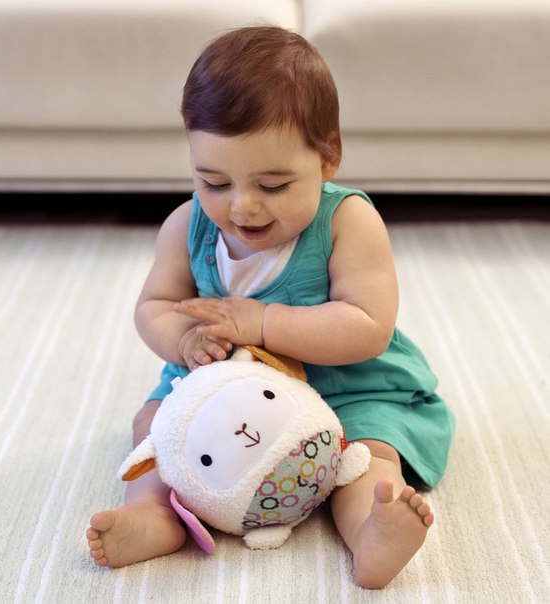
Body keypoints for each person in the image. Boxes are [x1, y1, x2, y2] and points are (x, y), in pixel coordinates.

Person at [86, 25, 454, 589]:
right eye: (214, 182)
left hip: (345, 387)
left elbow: (368, 325)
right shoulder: (186, 226)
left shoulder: (348, 222)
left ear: (328, 156)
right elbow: (155, 305)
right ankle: (154, 513)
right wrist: (183, 340)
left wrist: (263, 322)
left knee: (364, 454)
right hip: (222, 388)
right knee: (156, 425)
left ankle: (370, 532)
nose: (243, 207)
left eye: (274, 185)